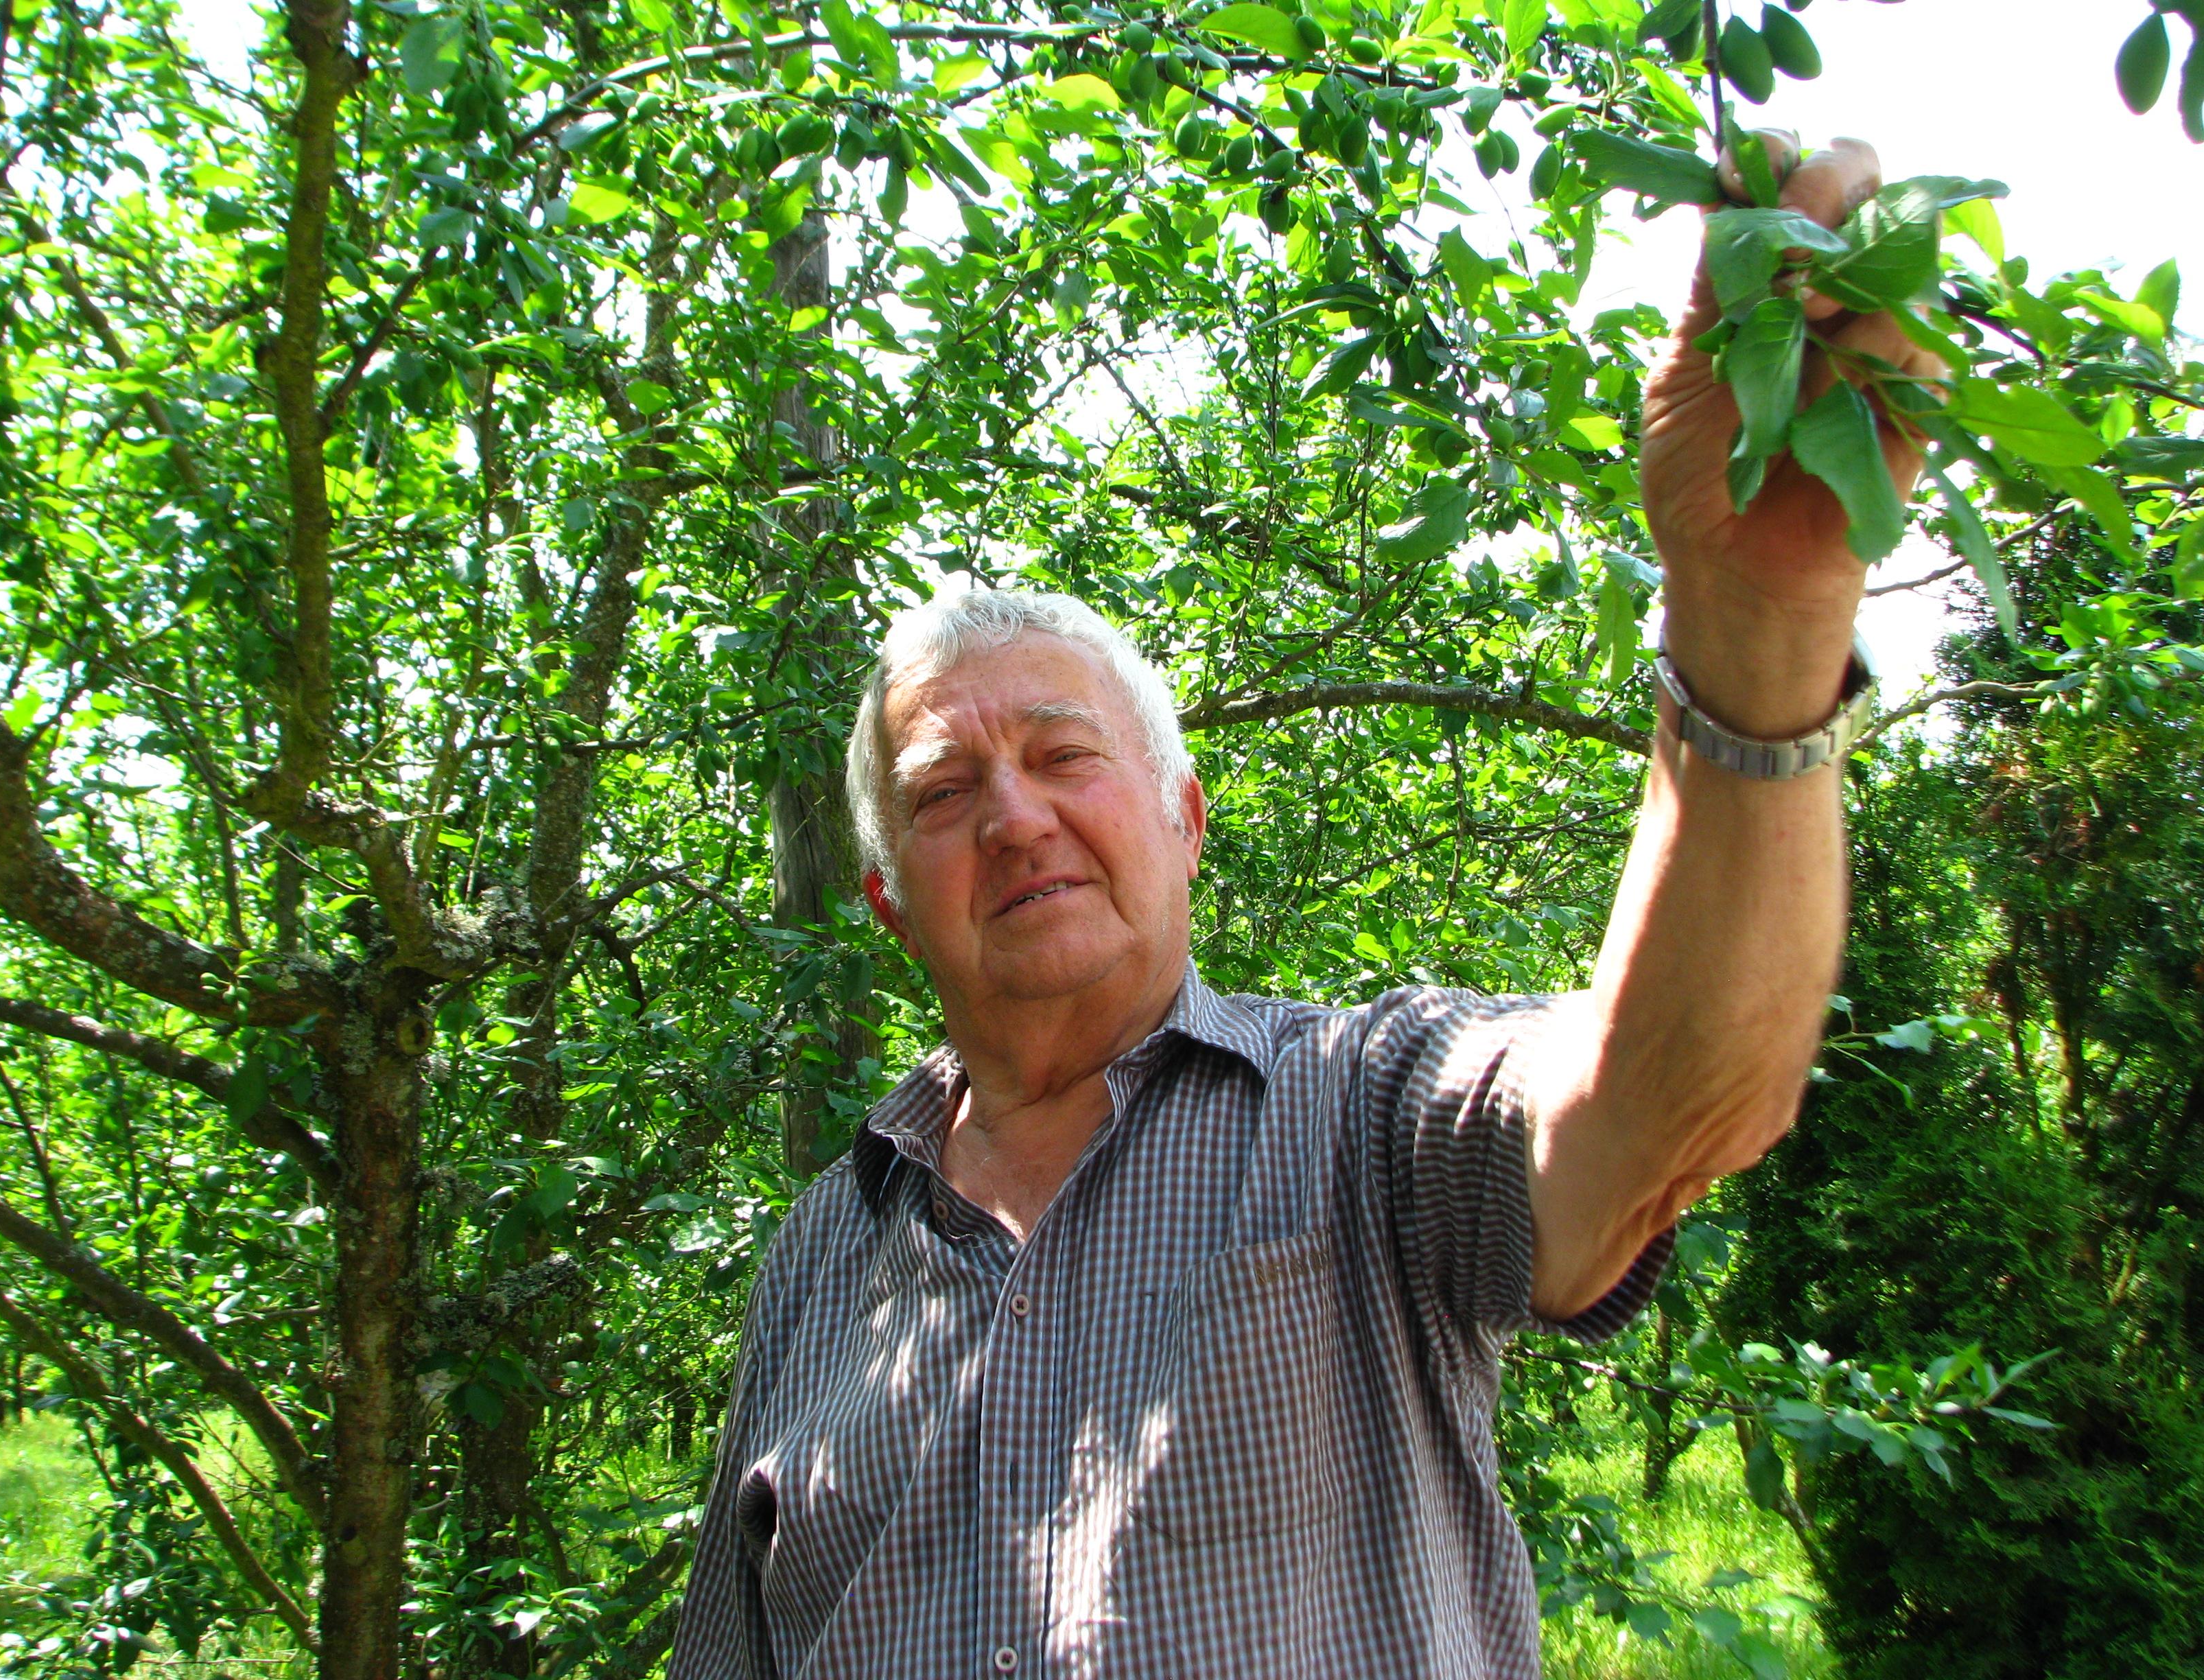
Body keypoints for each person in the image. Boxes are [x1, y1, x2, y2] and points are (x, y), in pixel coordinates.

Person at [668, 132, 1932, 1679]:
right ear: (885, 897)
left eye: (1067, 756)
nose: (1014, 814)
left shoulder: (1359, 1111)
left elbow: (1672, 1095)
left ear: (1187, 819)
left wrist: (1757, 623)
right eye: (945, 792)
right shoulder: (823, 1256)